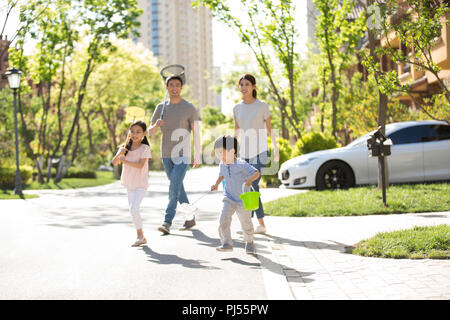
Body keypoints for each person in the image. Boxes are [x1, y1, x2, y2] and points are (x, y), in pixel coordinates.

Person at [148, 75, 201, 235]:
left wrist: (197, 154)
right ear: (166, 88)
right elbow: (150, 133)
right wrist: (156, 125)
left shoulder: (189, 108)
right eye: (171, 85)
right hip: (166, 154)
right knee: (178, 188)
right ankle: (190, 217)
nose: (174, 88)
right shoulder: (160, 108)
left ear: (181, 87)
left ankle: (167, 222)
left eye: (177, 85)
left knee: (173, 187)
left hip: (183, 154)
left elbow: (196, 133)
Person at [233, 74, 280, 235]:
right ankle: (256, 225)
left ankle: (255, 224)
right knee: (249, 187)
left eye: (247, 84)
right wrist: (231, 150)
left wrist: (276, 148)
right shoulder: (237, 108)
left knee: (252, 184)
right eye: (241, 85)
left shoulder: (262, 106)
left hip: (260, 151)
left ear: (253, 87)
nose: (244, 87)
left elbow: (270, 129)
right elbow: (237, 130)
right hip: (245, 152)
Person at [210, 135, 260, 254]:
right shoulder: (222, 164)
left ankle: (249, 242)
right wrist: (216, 184)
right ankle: (227, 243)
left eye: (221, 152)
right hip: (229, 198)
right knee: (223, 219)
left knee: (246, 223)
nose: (219, 156)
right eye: (217, 153)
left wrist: (250, 180)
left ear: (232, 151)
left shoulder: (241, 164)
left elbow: (256, 173)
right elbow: (222, 174)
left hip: (243, 200)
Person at [112, 120, 152, 247]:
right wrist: (119, 153)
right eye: (132, 131)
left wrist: (125, 161)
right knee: (133, 210)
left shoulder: (145, 148)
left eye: (138, 132)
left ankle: (140, 236)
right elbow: (114, 163)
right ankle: (141, 236)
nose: (134, 134)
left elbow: (140, 165)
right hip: (129, 183)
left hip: (140, 183)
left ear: (144, 134)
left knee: (134, 208)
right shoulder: (125, 148)